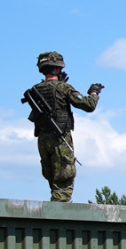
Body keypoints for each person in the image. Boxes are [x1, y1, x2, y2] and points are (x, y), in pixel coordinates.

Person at [24, 51, 103, 202]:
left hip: (42, 139)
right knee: (64, 181)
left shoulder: (35, 90)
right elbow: (88, 105)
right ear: (58, 69)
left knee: (53, 179)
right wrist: (94, 93)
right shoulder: (63, 87)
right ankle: (58, 218)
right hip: (60, 139)